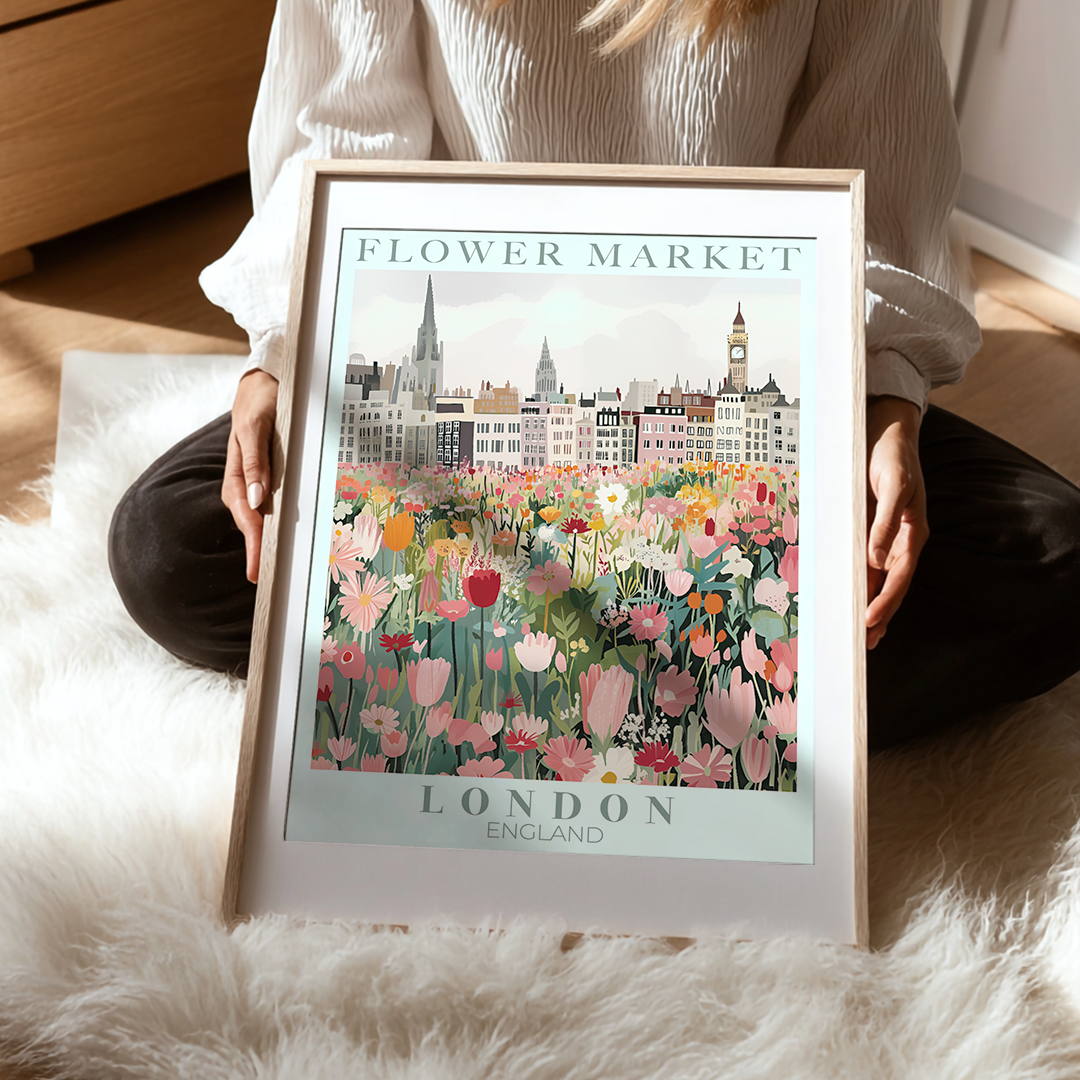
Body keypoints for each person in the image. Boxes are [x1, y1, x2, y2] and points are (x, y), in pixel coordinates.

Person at [108, 0, 1080, 749]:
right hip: (469, 404)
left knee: (1056, 560)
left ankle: (510, 685)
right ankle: (707, 686)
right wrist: (283, 356)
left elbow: (875, 171)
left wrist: (880, 405)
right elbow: (339, 141)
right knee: (177, 546)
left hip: (741, 402)